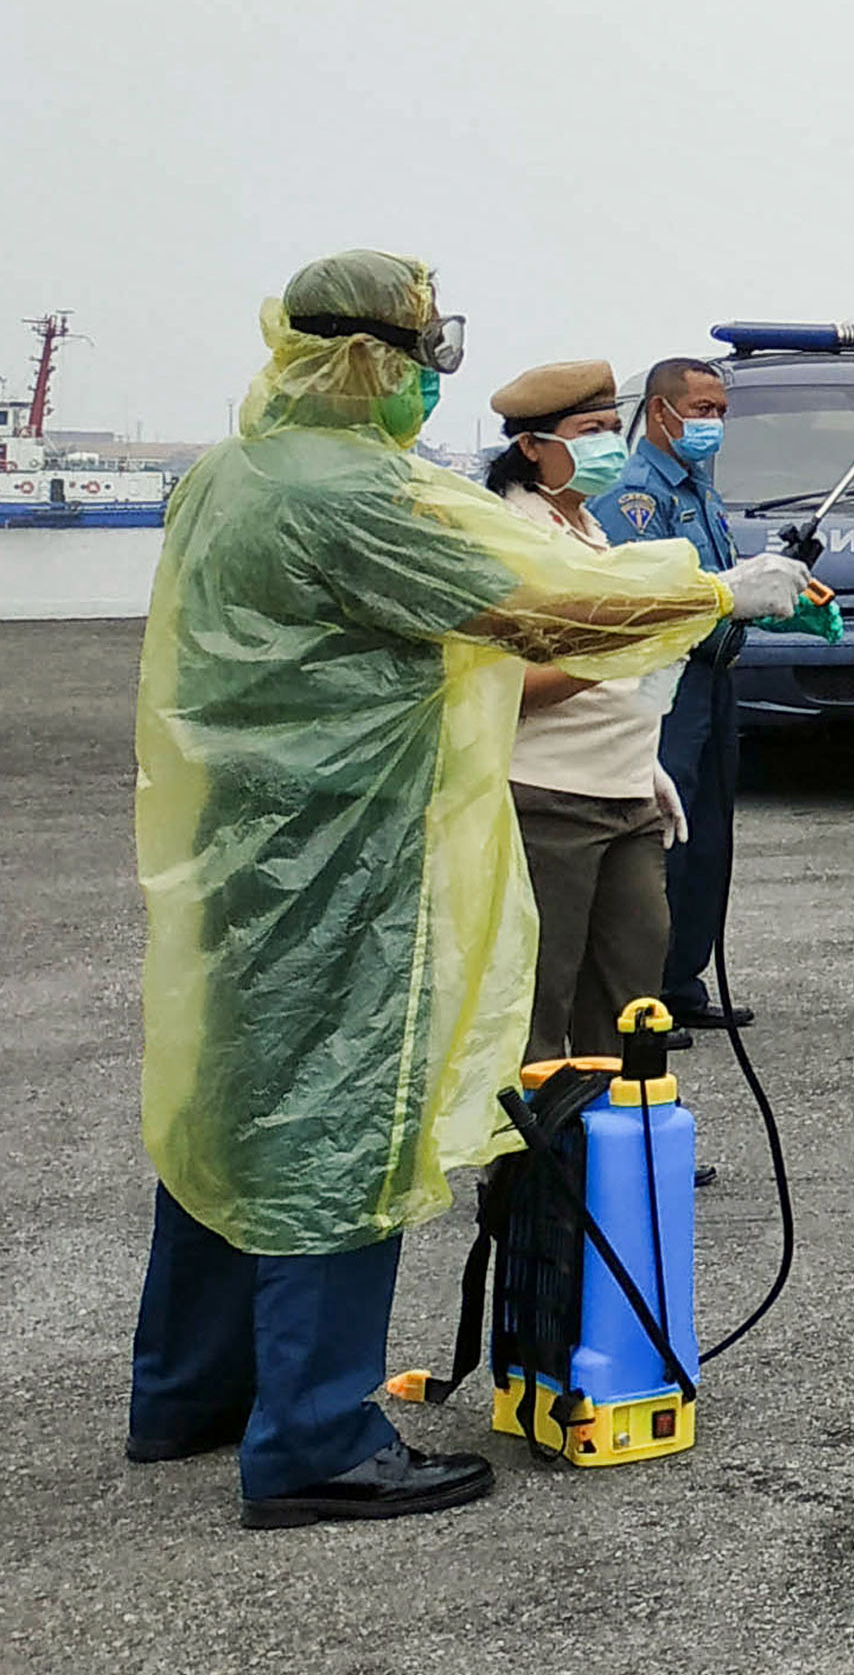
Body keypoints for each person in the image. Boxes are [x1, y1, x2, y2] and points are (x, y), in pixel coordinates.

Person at [130, 254, 794, 1529]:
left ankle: (189, 1391)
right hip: (340, 855)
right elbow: (538, 606)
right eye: (424, 353)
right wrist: (714, 589)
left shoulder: (229, 472)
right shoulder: (359, 494)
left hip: (241, 846)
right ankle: (315, 1437)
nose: (432, 380)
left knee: (235, 1107)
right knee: (339, 1124)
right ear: (372, 358)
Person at [486, 359, 694, 1062]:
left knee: (633, 996)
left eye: (613, 427)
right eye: (590, 430)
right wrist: (620, 647)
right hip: (549, 799)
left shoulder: (588, 530)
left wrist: (648, 757)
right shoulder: (512, 536)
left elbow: (616, 668)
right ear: (533, 446)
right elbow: (506, 687)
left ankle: (629, 1147)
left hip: (626, 792)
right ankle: (539, 1164)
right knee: (540, 996)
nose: (610, 443)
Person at [601, 353, 747, 1039]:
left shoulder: (698, 488)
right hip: (668, 680)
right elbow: (652, 597)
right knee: (665, 833)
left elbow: (720, 576)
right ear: (660, 411)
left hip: (716, 675)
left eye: (720, 412)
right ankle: (645, 989)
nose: (712, 424)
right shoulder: (638, 494)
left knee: (710, 834)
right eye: (700, 411)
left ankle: (685, 978)